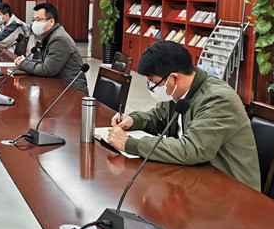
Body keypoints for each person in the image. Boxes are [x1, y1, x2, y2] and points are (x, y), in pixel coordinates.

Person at [106, 41, 261, 191]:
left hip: (232, 190)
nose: (151, 88)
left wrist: (130, 144)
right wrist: (134, 120)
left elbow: (191, 149)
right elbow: (160, 117)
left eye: (153, 83)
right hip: (196, 176)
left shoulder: (218, 99)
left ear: (175, 78)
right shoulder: (179, 91)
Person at [14, 3, 89, 94]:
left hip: (72, 91)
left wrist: (23, 64)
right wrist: (26, 62)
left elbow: (47, 70)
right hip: (59, 86)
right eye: (33, 20)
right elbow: (47, 62)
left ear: (51, 22)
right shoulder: (51, 35)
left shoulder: (59, 39)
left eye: (38, 20)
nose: (34, 23)